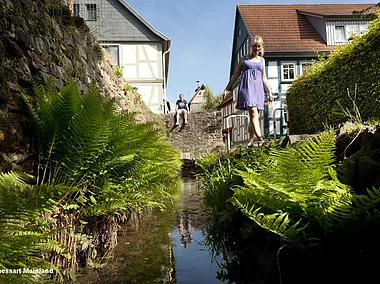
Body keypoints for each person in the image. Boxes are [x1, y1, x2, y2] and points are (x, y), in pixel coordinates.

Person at [223, 35, 274, 146]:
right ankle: (261, 140)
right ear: (251, 46)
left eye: (258, 47)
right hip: (246, 89)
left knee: (254, 116)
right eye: (254, 46)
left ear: (261, 47)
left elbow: (264, 78)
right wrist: (226, 89)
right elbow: (235, 76)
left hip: (258, 90)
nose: (256, 49)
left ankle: (251, 140)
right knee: (254, 113)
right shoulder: (244, 59)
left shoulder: (262, 61)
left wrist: (269, 92)